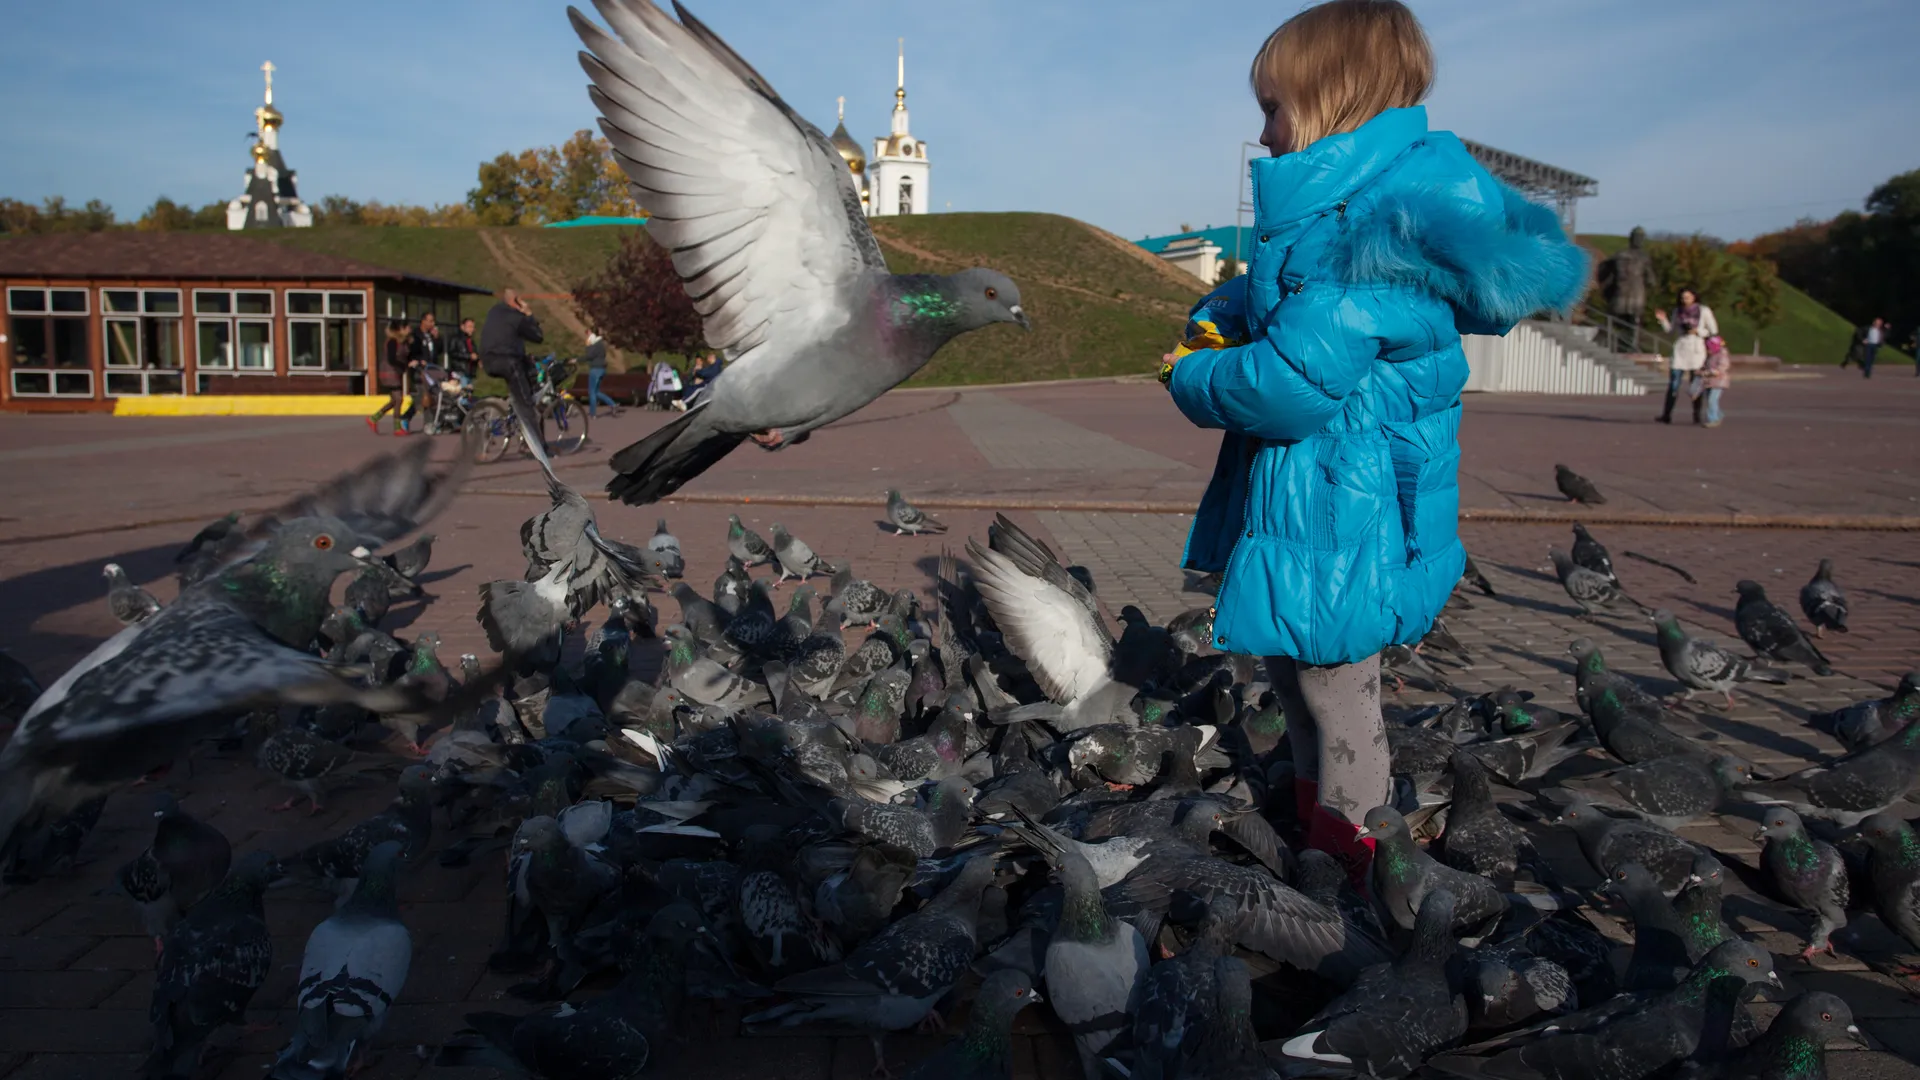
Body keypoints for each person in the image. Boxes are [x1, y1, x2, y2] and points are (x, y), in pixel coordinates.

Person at [1159, 0, 1586, 880]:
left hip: (1345, 509)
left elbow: (1287, 387)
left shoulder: (1369, 240)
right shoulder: (1339, 226)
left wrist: (1189, 373)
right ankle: (1315, 822)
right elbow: (1288, 305)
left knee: (1335, 688)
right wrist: (1224, 307)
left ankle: (1354, 856)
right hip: (1319, 499)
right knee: (1295, 674)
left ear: (1332, 100)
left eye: (1274, 108)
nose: (1264, 132)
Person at [1653, 287, 1716, 423]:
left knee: (1695, 385)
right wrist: (1663, 320)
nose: (1685, 300)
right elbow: (1670, 331)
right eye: (1682, 298)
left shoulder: (1704, 311)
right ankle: (1666, 415)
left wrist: (1698, 331)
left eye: (1687, 297)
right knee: (1673, 383)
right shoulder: (1678, 311)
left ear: (1694, 297)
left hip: (1696, 349)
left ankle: (1696, 415)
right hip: (1681, 349)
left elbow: (1713, 330)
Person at [480, 287, 544, 418]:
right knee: (526, 402)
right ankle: (530, 428)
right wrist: (528, 314)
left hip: (488, 360)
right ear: (516, 301)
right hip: (507, 361)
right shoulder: (516, 317)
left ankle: (512, 414)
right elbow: (538, 336)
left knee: (516, 387)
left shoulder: (494, 311)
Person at [368, 319, 415, 435]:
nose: (410, 330)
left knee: (394, 400)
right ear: (400, 329)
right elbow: (391, 359)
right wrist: (405, 365)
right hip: (390, 373)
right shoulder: (392, 342)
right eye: (407, 327)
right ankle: (397, 428)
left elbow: (407, 356)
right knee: (398, 399)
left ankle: (374, 418)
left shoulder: (405, 342)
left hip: (397, 372)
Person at [408, 312, 444, 422]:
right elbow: (411, 351)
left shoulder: (431, 335)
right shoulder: (415, 335)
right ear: (423, 321)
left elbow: (439, 351)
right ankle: (406, 417)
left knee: (430, 396)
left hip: (431, 369)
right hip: (420, 370)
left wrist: (437, 338)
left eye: (433, 321)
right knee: (423, 395)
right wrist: (419, 361)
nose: (433, 324)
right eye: (430, 321)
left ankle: (429, 423)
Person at [583, 332, 620, 418]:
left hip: (595, 370)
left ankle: (593, 413)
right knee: (596, 392)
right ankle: (613, 404)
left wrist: (588, 346)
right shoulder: (601, 345)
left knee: (592, 392)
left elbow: (589, 356)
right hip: (601, 370)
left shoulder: (595, 346)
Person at [1698, 333, 1730, 428]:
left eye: (1708, 348)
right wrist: (1701, 369)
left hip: (1719, 381)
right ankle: (1718, 414)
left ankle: (1713, 419)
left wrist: (1707, 372)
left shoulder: (1722, 356)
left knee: (1712, 400)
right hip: (1710, 381)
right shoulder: (1711, 356)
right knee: (1710, 399)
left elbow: (1721, 369)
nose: (1707, 350)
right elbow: (1706, 365)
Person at [446, 317, 478, 382]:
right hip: (459, 372)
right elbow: (452, 353)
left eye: (473, 327)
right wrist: (469, 356)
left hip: (469, 373)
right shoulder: (455, 339)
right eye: (469, 327)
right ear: (462, 327)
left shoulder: (471, 341)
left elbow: (475, 353)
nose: (471, 329)